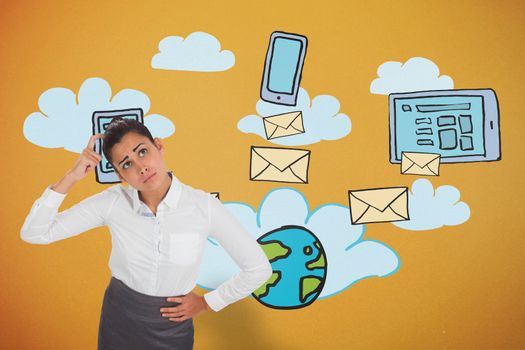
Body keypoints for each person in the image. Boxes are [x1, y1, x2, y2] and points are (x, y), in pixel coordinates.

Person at [20, 117, 273, 350]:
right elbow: (35, 233)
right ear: (120, 175)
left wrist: (209, 302)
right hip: (119, 318)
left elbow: (259, 268)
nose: (141, 167)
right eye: (127, 164)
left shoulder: (203, 207)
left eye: (143, 151)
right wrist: (72, 176)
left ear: (159, 147)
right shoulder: (112, 203)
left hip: (173, 328)